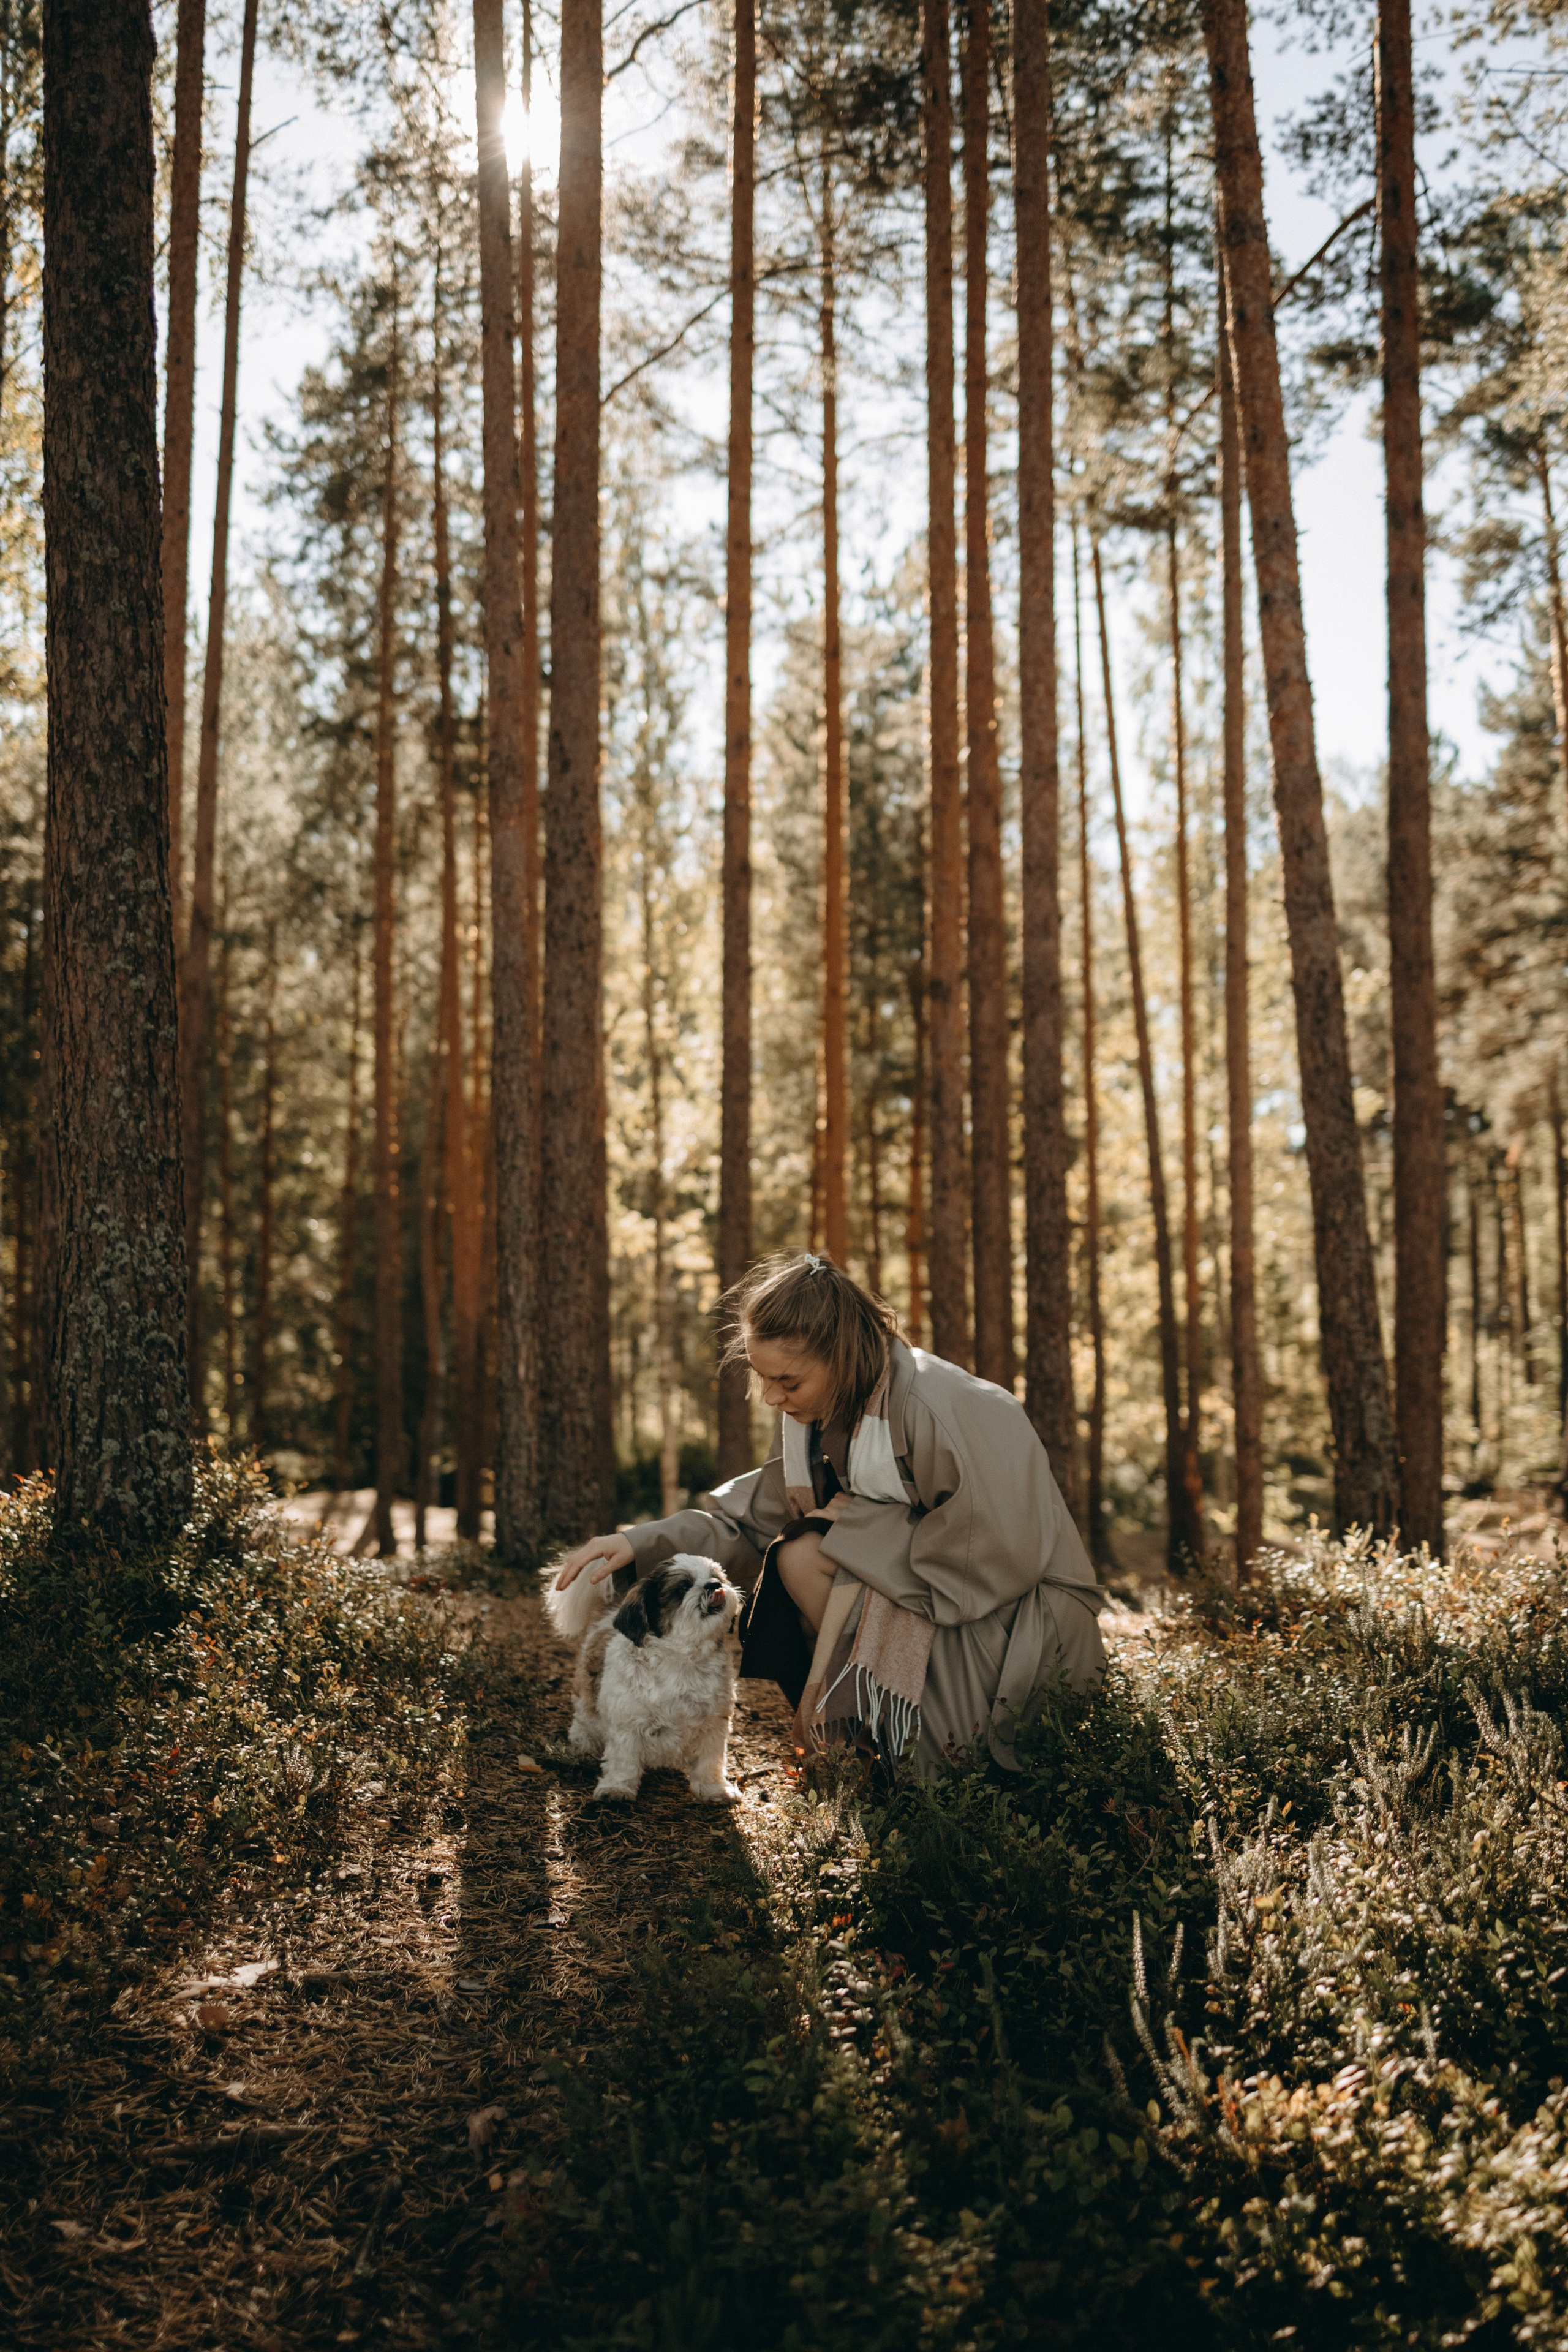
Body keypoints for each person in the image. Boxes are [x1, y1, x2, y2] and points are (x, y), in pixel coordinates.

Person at [552, 1253, 1105, 1777]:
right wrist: (638, 1544)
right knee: (800, 1552)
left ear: (841, 1356)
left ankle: (907, 1747)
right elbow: (750, 1523)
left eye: (787, 1382)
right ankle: (871, 1742)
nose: (771, 1396)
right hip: (940, 1600)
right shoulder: (815, 1416)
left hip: (1017, 1626)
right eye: (763, 1377)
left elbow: (998, 1554)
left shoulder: (944, 1406)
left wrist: (857, 1522)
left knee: (807, 1552)